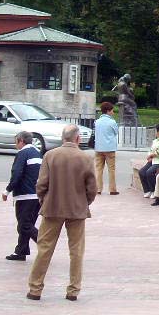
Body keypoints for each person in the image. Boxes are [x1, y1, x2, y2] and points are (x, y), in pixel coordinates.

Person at [26, 124, 97, 301]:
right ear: (78, 138)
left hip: (52, 207)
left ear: (63, 138)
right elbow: (92, 188)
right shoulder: (86, 158)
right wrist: (84, 202)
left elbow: (41, 184)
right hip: (76, 209)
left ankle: (35, 288)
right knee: (76, 251)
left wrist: (44, 200)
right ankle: (73, 290)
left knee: (44, 248)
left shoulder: (50, 155)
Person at [3, 131, 42, 261]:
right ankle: (21, 251)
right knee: (27, 224)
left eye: (16, 141)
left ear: (21, 141)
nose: (16, 145)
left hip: (25, 195)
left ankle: (44, 243)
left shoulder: (22, 154)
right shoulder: (38, 153)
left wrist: (7, 190)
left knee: (24, 225)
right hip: (37, 195)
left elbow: (17, 173)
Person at [92, 102, 119, 196]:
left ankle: (98, 189)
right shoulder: (112, 122)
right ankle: (112, 189)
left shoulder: (97, 122)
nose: (113, 112)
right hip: (110, 148)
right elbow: (116, 132)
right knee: (111, 169)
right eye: (112, 110)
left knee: (98, 169)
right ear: (108, 111)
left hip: (98, 148)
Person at [139, 124, 159, 198]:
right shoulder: (156, 140)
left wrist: (152, 155)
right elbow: (151, 150)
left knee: (149, 172)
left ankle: (154, 191)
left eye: (156, 130)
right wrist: (150, 155)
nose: (155, 132)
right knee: (141, 172)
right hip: (153, 160)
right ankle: (147, 190)